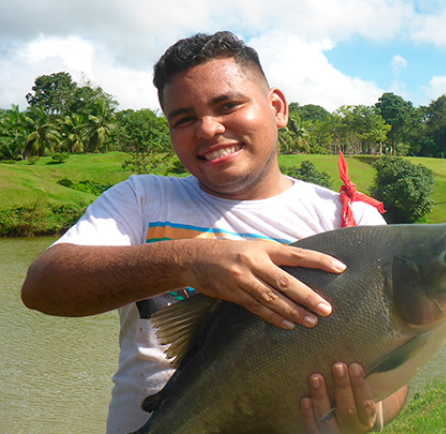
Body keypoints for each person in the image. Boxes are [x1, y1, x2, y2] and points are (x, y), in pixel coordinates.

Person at [21, 31, 407, 434]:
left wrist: (370, 411)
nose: (207, 129)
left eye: (228, 105)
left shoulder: (351, 221)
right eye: (184, 119)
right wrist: (192, 261)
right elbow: (42, 287)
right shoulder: (142, 198)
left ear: (277, 108)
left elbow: (397, 370)